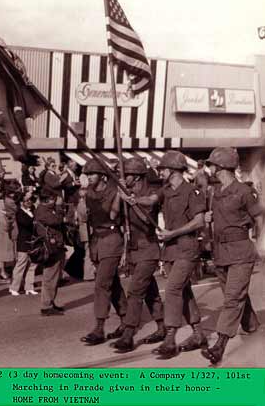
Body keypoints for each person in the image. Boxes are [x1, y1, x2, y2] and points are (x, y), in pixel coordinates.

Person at [201, 147, 263, 364]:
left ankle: (219, 346)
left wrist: (261, 243)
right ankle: (251, 324)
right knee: (235, 294)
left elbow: (259, 219)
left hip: (240, 251)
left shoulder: (243, 191)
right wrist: (208, 220)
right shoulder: (214, 192)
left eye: (211, 164)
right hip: (221, 252)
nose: (208, 168)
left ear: (220, 167)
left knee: (231, 298)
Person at [153, 150, 207, 358]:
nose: (161, 172)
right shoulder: (165, 191)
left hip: (186, 247)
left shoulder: (192, 192)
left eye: (163, 169)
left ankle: (170, 338)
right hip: (170, 250)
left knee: (173, 289)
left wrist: (172, 233)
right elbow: (150, 199)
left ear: (174, 170)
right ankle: (199, 334)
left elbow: (199, 221)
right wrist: (133, 199)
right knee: (184, 292)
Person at [111, 157, 165, 353]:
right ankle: (162, 327)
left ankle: (128, 333)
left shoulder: (152, 192)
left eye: (127, 176)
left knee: (135, 291)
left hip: (148, 248)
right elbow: (113, 215)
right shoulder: (126, 192)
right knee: (150, 291)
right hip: (134, 250)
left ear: (138, 177)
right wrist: (120, 194)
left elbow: (146, 217)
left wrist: (132, 200)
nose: (124, 178)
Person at [80, 158, 127, 345]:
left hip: (112, 240)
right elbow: (84, 217)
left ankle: (99, 327)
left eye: (92, 174)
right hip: (97, 242)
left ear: (102, 175)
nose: (89, 177)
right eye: (87, 174)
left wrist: (119, 192)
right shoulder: (89, 193)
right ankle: (126, 319)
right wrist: (82, 197)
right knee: (112, 283)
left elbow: (112, 214)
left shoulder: (114, 190)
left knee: (101, 284)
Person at [35, 189, 66, 316]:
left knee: (54, 276)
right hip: (50, 246)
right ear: (47, 200)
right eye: (53, 199)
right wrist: (59, 207)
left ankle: (50, 302)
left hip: (55, 245)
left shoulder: (45, 209)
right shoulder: (43, 210)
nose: (55, 201)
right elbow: (57, 220)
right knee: (50, 276)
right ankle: (46, 306)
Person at [9, 190, 38, 296]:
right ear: (21, 202)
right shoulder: (20, 213)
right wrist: (34, 221)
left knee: (32, 264)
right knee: (21, 264)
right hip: (24, 241)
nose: (29, 202)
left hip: (33, 241)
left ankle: (29, 287)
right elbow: (26, 223)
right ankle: (14, 287)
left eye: (31, 200)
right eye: (26, 201)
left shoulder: (32, 211)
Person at [0, 183, 19, 280]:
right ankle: (7, 270)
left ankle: (4, 270)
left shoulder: (1, 201)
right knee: (11, 249)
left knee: (7, 249)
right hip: (7, 227)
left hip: (4, 227)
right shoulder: (9, 202)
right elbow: (16, 211)